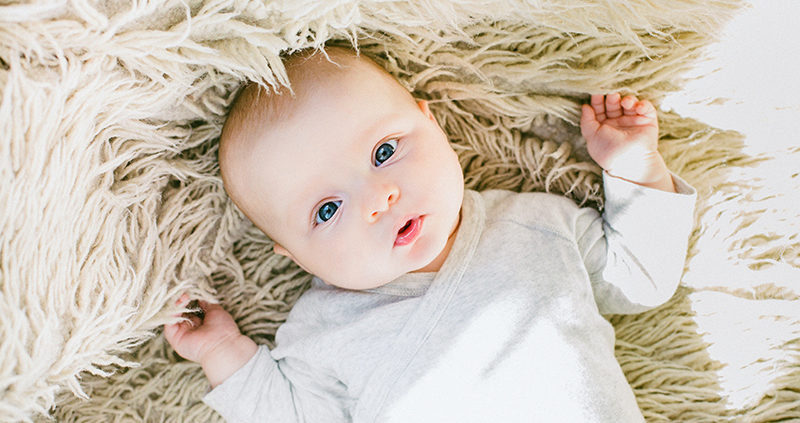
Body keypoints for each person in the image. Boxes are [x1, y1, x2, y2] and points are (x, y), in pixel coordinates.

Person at [163, 46, 696, 422]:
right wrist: (225, 354)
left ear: (433, 122)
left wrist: (634, 170)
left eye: (384, 152)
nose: (379, 199)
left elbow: (638, 279)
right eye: (327, 210)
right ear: (294, 254)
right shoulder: (322, 332)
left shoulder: (536, 225)